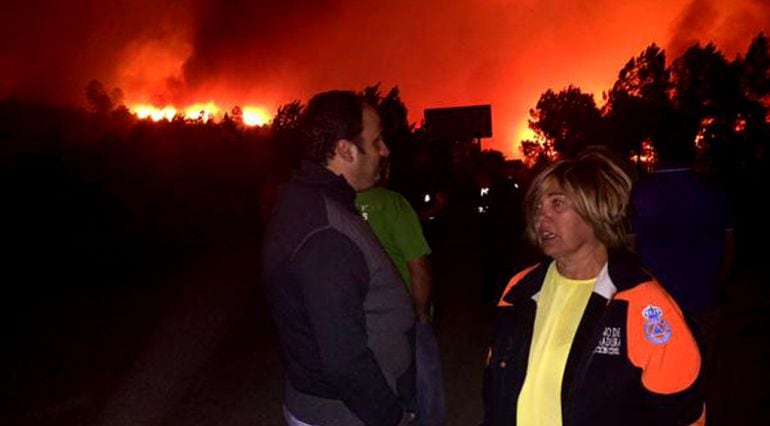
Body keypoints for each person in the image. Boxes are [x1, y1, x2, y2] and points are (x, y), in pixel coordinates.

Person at [482, 150, 705, 425]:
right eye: (537, 207)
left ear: (595, 209)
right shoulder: (521, 288)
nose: (542, 217)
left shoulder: (642, 303)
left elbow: (682, 412)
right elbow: (497, 381)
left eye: (558, 204)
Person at [261, 90, 417, 426]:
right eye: (376, 142)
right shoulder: (325, 233)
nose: (385, 150)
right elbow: (344, 359)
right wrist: (391, 416)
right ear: (345, 149)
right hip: (346, 415)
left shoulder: (305, 202)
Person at [356, 166, 446, 426]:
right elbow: (417, 267)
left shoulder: (339, 203)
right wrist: (421, 313)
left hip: (361, 315)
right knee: (423, 381)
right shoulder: (394, 204)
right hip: (402, 313)